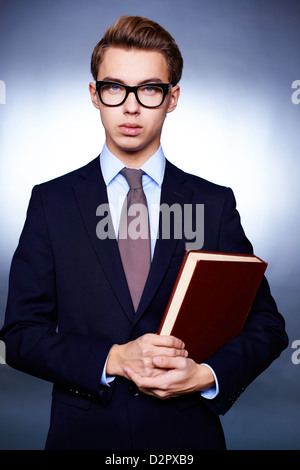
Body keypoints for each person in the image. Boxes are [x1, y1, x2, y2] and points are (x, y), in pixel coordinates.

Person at [0, 15, 288, 450]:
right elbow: (21, 334)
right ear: (95, 95)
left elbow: (267, 326)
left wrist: (206, 375)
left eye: (149, 89)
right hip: (84, 436)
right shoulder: (51, 202)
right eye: (115, 87)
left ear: (172, 98)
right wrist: (114, 358)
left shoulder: (214, 204)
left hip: (187, 438)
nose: (130, 107)